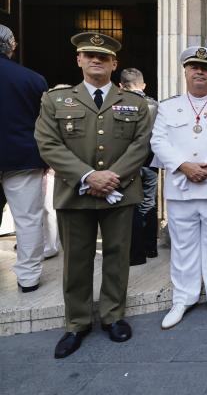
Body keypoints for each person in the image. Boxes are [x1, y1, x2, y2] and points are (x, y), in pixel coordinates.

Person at [35, 32, 152, 358]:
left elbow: (140, 145)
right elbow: (48, 143)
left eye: (103, 56)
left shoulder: (135, 103)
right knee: (76, 261)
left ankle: (113, 316)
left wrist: (111, 178)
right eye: (89, 55)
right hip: (76, 194)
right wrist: (88, 176)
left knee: (117, 257)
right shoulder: (55, 101)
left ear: (114, 63)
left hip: (120, 193)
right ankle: (77, 323)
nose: (96, 60)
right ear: (79, 60)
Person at [151, 47, 207, 328]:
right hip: (181, 187)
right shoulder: (167, 107)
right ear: (186, 72)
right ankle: (183, 298)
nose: (199, 71)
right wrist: (184, 166)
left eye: (204, 67)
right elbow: (158, 142)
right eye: (193, 67)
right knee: (183, 246)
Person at [0, 23, 48, 293]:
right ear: (12, 47)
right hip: (23, 156)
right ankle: (28, 277)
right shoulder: (32, 79)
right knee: (28, 218)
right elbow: (42, 123)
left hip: (23, 157)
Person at [119, 68, 160, 265]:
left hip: (127, 163)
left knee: (129, 205)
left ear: (121, 86)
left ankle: (135, 253)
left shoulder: (118, 104)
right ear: (143, 85)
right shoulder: (156, 105)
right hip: (151, 162)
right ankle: (150, 248)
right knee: (149, 204)